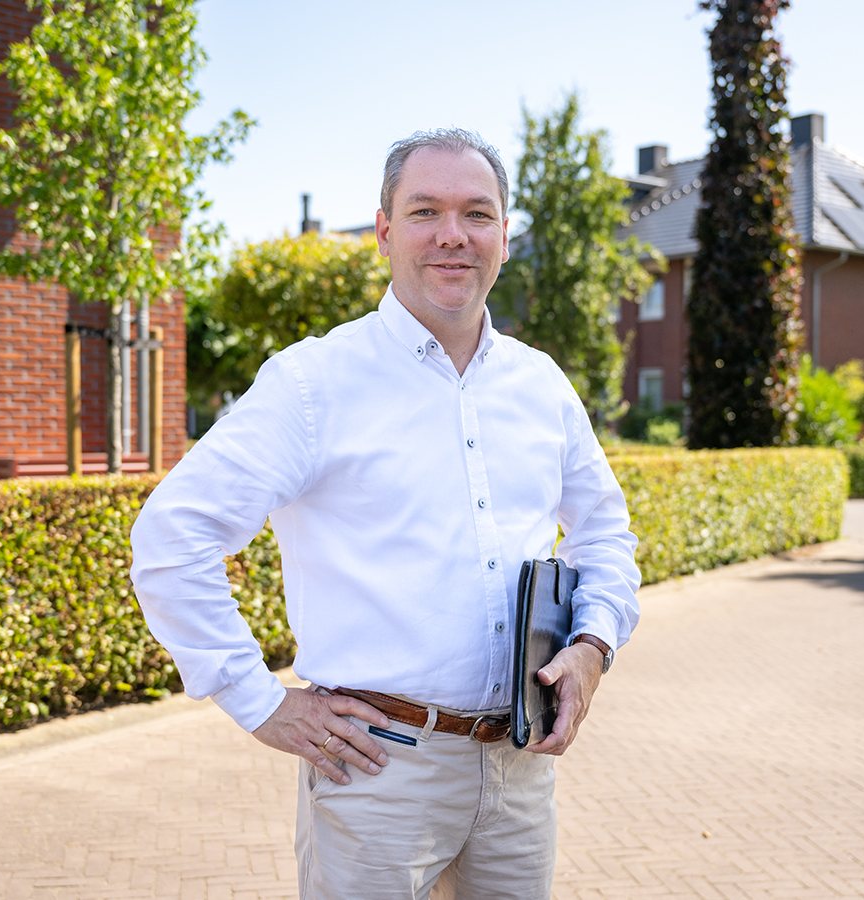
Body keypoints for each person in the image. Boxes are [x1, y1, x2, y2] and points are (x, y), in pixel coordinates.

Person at [130, 128, 640, 900]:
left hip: (521, 768)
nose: (452, 235)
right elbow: (172, 537)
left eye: (477, 213)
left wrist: (594, 645)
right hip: (376, 771)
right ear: (383, 231)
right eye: (425, 211)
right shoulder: (313, 384)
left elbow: (604, 532)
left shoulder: (542, 386)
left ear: (505, 236)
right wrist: (257, 702)